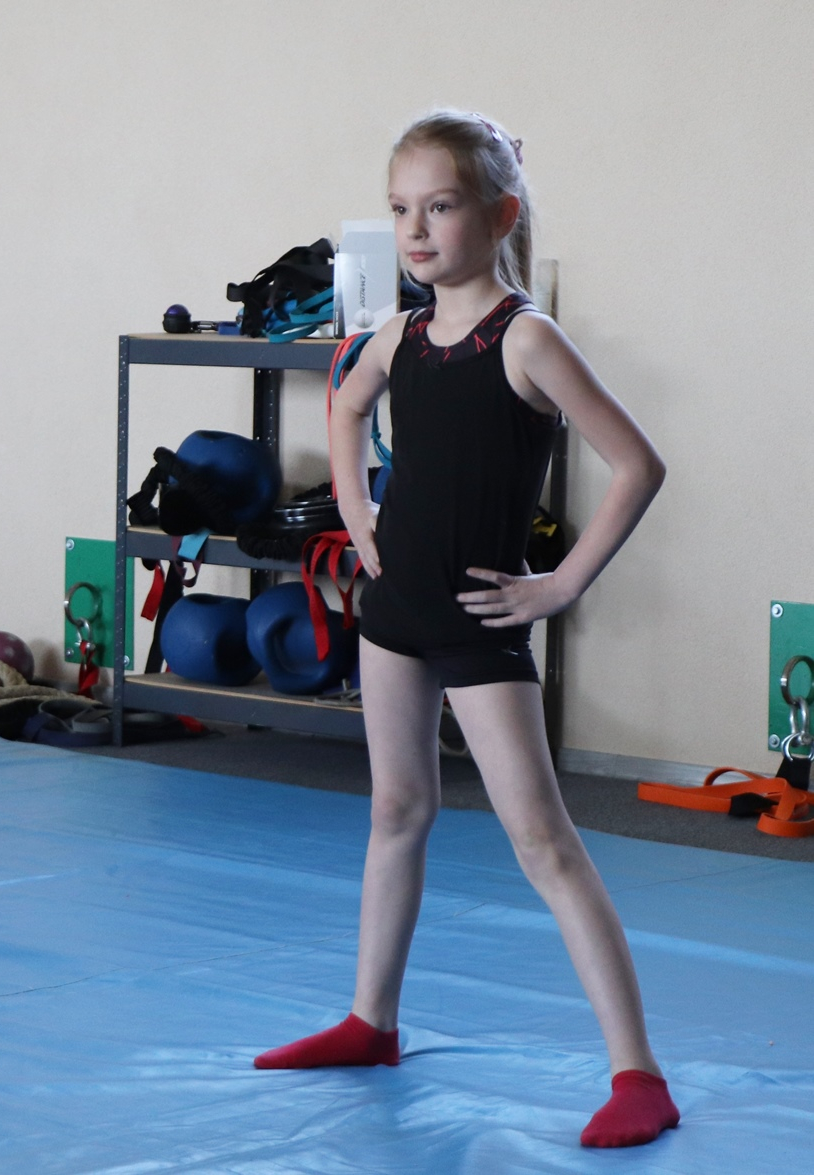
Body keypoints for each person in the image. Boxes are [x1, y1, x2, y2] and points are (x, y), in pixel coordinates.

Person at [254, 112, 676, 1149]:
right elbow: (344, 408)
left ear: (499, 215)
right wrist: (354, 507)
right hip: (395, 612)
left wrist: (561, 583)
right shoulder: (398, 336)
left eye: (439, 207)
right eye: (401, 208)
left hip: (482, 624)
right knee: (397, 808)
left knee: (543, 840)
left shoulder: (526, 338)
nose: (415, 229)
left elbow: (638, 463)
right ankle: (371, 1020)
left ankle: (639, 1072)